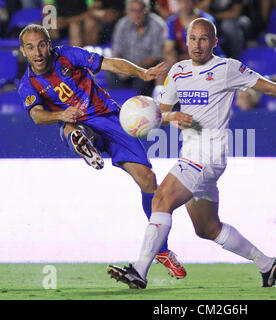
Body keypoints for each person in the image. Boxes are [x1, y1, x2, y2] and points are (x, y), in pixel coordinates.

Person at [106, 17, 276, 289]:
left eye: (204, 39)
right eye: (193, 39)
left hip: (209, 152)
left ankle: (139, 272)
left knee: (161, 200)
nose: (197, 45)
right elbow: (160, 112)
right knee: (207, 228)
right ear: (186, 40)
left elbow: (270, 87)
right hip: (191, 154)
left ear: (214, 42)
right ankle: (268, 264)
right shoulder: (178, 71)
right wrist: (170, 116)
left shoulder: (228, 68)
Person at [17, 24, 187, 279]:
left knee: (149, 181)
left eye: (41, 44)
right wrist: (62, 113)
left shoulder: (68, 55)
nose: (38, 52)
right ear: (23, 51)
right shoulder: (27, 84)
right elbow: (38, 116)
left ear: (49, 44)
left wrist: (141, 72)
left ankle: (161, 251)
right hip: (75, 120)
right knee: (70, 127)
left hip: (111, 118)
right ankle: (82, 141)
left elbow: (110, 64)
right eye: (30, 47)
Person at [109, 0, 166, 96]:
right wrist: (121, 68)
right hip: (125, 68)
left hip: (146, 68)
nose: (137, 15)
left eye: (140, 10)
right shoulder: (122, 24)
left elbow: (156, 56)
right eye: (133, 11)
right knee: (110, 74)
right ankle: (118, 104)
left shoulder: (158, 25)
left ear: (147, 11)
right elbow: (116, 51)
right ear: (127, 11)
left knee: (143, 81)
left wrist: (133, 70)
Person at [163, 0, 217, 67]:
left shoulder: (207, 20)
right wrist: (171, 57)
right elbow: (168, 49)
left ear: (195, 2)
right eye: (181, 2)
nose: (184, 5)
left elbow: (206, 52)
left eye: (188, 1)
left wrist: (180, 58)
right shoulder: (171, 21)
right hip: (183, 60)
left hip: (208, 61)